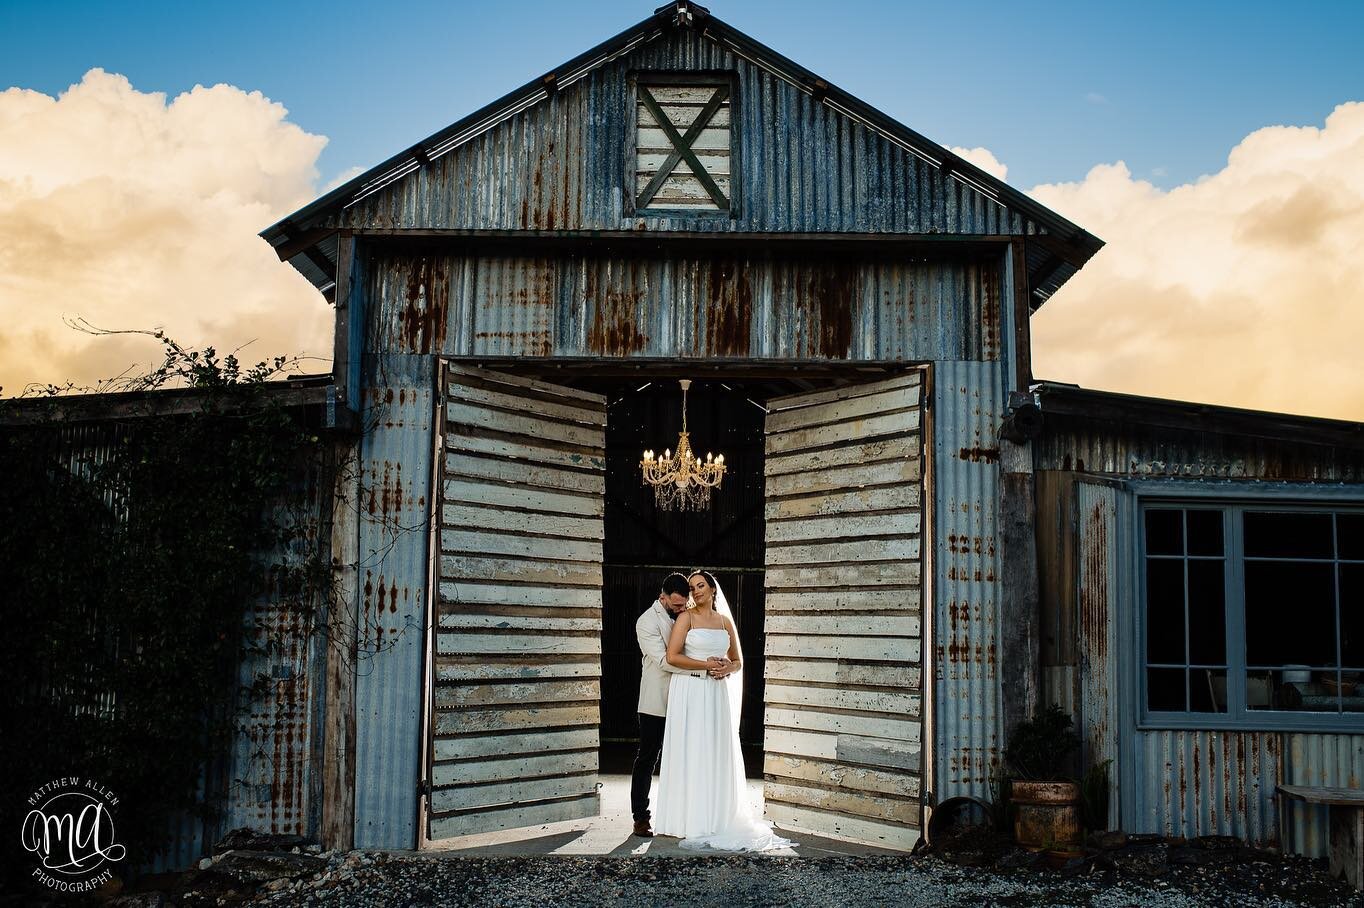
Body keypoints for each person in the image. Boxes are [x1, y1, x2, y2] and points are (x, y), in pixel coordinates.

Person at [653, 570, 793, 852]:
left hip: (716, 693)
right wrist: (706, 665)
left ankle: (715, 816)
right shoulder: (686, 618)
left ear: (713, 588)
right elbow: (673, 656)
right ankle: (685, 819)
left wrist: (728, 668)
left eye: (701, 585)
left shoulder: (725, 622)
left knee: (714, 750)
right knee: (691, 749)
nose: (696, 591)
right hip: (690, 692)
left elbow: (737, 661)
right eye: (692, 587)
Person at [631, 572, 729, 837]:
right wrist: (704, 670)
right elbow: (666, 661)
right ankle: (641, 817)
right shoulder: (646, 622)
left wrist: (721, 666)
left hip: (688, 699)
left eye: (682, 604)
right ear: (662, 596)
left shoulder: (688, 613)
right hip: (658, 699)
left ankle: (689, 815)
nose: (680, 608)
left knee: (688, 755)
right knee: (648, 757)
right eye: (675, 605)